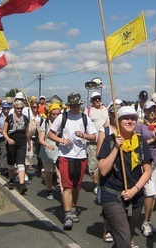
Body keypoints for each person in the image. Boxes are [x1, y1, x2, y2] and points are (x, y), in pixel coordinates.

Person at [98, 106, 152, 248]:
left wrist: (134, 190)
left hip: (135, 196)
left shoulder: (141, 142)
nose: (130, 121)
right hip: (113, 194)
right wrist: (116, 147)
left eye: (133, 118)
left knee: (125, 238)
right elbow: (103, 170)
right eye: (126, 118)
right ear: (118, 121)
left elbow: (147, 171)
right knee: (124, 241)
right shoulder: (109, 141)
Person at [48, 92, 97, 230]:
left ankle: (73, 207)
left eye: (77, 105)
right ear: (69, 106)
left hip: (81, 156)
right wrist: (61, 140)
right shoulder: (62, 117)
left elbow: (94, 137)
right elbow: (50, 133)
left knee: (77, 186)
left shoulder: (84, 118)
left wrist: (84, 135)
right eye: (73, 106)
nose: (76, 108)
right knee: (67, 186)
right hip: (65, 156)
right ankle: (67, 214)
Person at [135, 100, 156, 237]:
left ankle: (147, 220)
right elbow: (138, 144)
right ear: (145, 111)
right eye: (149, 110)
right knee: (149, 192)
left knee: (154, 193)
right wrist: (152, 138)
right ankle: (145, 222)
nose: (152, 112)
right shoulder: (139, 125)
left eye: (154, 109)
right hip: (145, 160)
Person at [97, 103, 120, 243]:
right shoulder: (104, 131)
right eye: (114, 112)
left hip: (125, 171)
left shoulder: (129, 130)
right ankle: (107, 229)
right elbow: (100, 153)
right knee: (109, 200)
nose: (116, 115)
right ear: (110, 114)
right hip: (109, 171)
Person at [3, 99, 31, 195]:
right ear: (14, 108)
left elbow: (27, 132)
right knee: (11, 162)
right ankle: (11, 180)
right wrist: (8, 139)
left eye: (21, 108)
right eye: (18, 108)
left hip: (22, 142)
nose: (19, 110)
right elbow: (4, 131)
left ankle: (22, 184)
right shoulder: (10, 118)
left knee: (21, 162)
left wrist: (29, 143)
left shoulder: (26, 118)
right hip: (11, 141)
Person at [86, 91, 109, 194]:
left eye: (99, 98)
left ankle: (103, 182)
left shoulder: (105, 110)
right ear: (92, 101)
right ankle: (96, 185)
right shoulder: (88, 110)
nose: (97, 100)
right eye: (95, 99)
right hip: (92, 141)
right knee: (94, 164)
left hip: (105, 141)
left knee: (103, 162)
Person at [38, 103, 62, 200]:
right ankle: (49, 190)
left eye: (57, 114)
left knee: (60, 173)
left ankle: (63, 193)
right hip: (48, 151)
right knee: (49, 173)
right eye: (53, 114)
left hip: (60, 151)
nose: (55, 116)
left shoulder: (62, 123)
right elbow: (41, 139)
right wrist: (48, 145)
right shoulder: (46, 122)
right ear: (49, 114)